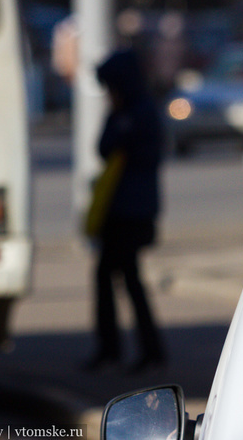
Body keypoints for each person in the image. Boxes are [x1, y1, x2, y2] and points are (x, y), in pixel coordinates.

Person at [84, 49, 166, 372]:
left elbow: (146, 157)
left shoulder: (143, 112)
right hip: (115, 212)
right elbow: (104, 148)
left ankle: (136, 349)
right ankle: (130, 349)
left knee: (123, 278)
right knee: (116, 278)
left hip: (133, 213)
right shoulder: (121, 113)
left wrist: (124, 132)